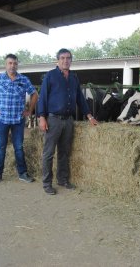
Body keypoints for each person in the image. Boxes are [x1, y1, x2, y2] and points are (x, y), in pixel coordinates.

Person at [37, 48, 98, 195]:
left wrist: (89, 116)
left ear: (71, 60)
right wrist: (41, 117)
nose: (66, 61)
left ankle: (62, 179)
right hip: (53, 120)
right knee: (49, 153)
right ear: (57, 60)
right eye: (63, 58)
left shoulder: (73, 78)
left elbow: (80, 99)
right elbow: (42, 97)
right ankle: (46, 183)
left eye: (68, 58)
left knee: (64, 152)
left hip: (68, 121)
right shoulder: (50, 76)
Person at [0, 53, 38, 184]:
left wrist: (29, 110)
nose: (12, 66)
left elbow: (34, 94)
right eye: (10, 63)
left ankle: (22, 173)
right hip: (1, 120)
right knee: (1, 147)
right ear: (5, 65)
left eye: (15, 63)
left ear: (17, 65)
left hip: (18, 120)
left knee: (18, 147)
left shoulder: (23, 80)